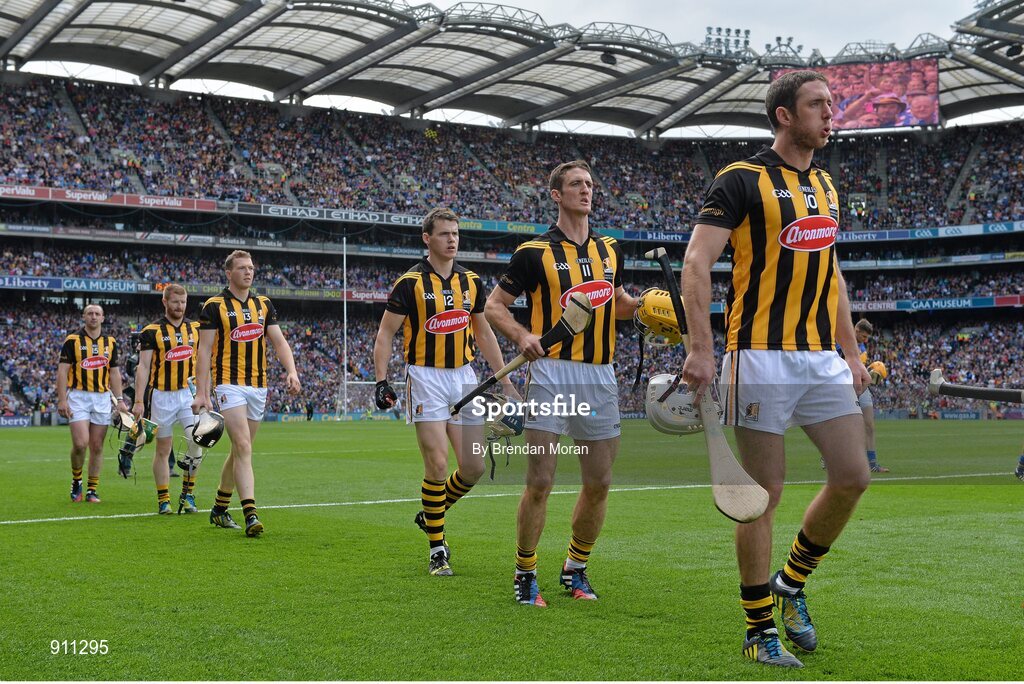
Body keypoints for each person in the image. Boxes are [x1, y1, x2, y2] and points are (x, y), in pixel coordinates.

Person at [681, 71, 871, 668]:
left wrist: (851, 350)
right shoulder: (740, 179)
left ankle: (791, 582)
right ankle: (758, 629)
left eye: (831, 104)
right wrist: (702, 350)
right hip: (757, 355)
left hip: (820, 358)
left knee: (852, 476)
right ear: (785, 115)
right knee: (762, 497)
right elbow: (695, 262)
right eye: (818, 104)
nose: (829, 113)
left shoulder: (827, 186)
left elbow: (832, 275)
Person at [485, 160, 638, 606]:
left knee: (600, 482)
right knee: (541, 481)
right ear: (556, 194)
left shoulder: (611, 250)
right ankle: (525, 572)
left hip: (600, 375)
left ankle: (576, 570)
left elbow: (617, 303)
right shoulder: (533, 253)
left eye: (589, 184)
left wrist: (648, 308)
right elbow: (495, 306)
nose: (585, 190)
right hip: (552, 372)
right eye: (576, 184)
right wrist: (521, 335)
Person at [373, 207, 519, 577]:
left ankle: (430, 514)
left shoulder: (471, 281)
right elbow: (386, 334)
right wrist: (381, 379)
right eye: (444, 234)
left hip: (464, 378)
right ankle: (438, 549)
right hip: (425, 378)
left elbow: (484, 333)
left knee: (473, 468)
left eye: (455, 233)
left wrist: (505, 381)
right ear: (427, 238)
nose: (452, 240)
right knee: (437, 466)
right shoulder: (410, 283)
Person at [192, 250, 301, 537]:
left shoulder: (263, 304)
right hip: (228, 384)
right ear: (229, 273)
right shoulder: (214, 305)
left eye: (251, 268)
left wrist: (291, 371)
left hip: (258, 386)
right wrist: (201, 392)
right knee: (243, 446)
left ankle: (218, 508)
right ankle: (251, 512)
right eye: (242, 268)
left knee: (241, 449)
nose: (248, 272)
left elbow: (278, 341)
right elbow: (203, 352)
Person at [132, 284, 206, 515]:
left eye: (183, 302)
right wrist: (138, 401)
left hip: (188, 394)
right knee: (163, 449)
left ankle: (188, 494)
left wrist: (205, 393)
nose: (180, 306)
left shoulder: (196, 328)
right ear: (165, 302)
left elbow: (204, 363)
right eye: (175, 302)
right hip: (161, 396)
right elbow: (143, 367)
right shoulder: (151, 331)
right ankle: (164, 498)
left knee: (197, 441)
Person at [57, 304, 127, 503]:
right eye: (90, 313)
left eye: (97, 314)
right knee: (80, 444)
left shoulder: (110, 342)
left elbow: (114, 372)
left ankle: (92, 490)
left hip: (102, 398)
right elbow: (62, 371)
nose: (94, 317)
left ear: (103, 318)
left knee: (96, 446)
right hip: (78, 396)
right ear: (84, 317)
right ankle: (77, 480)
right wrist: (62, 399)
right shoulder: (72, 341)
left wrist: (120, 400)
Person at [853, 319, 889, 473]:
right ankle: (829, 457)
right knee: (842, 427)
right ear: (856, 330)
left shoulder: (861, 348)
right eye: (864, 337)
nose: (865, 341)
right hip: (842, 388)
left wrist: (870, 375)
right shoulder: (838, 343)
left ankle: (873, 464)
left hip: (860, 387)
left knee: (869, 425)